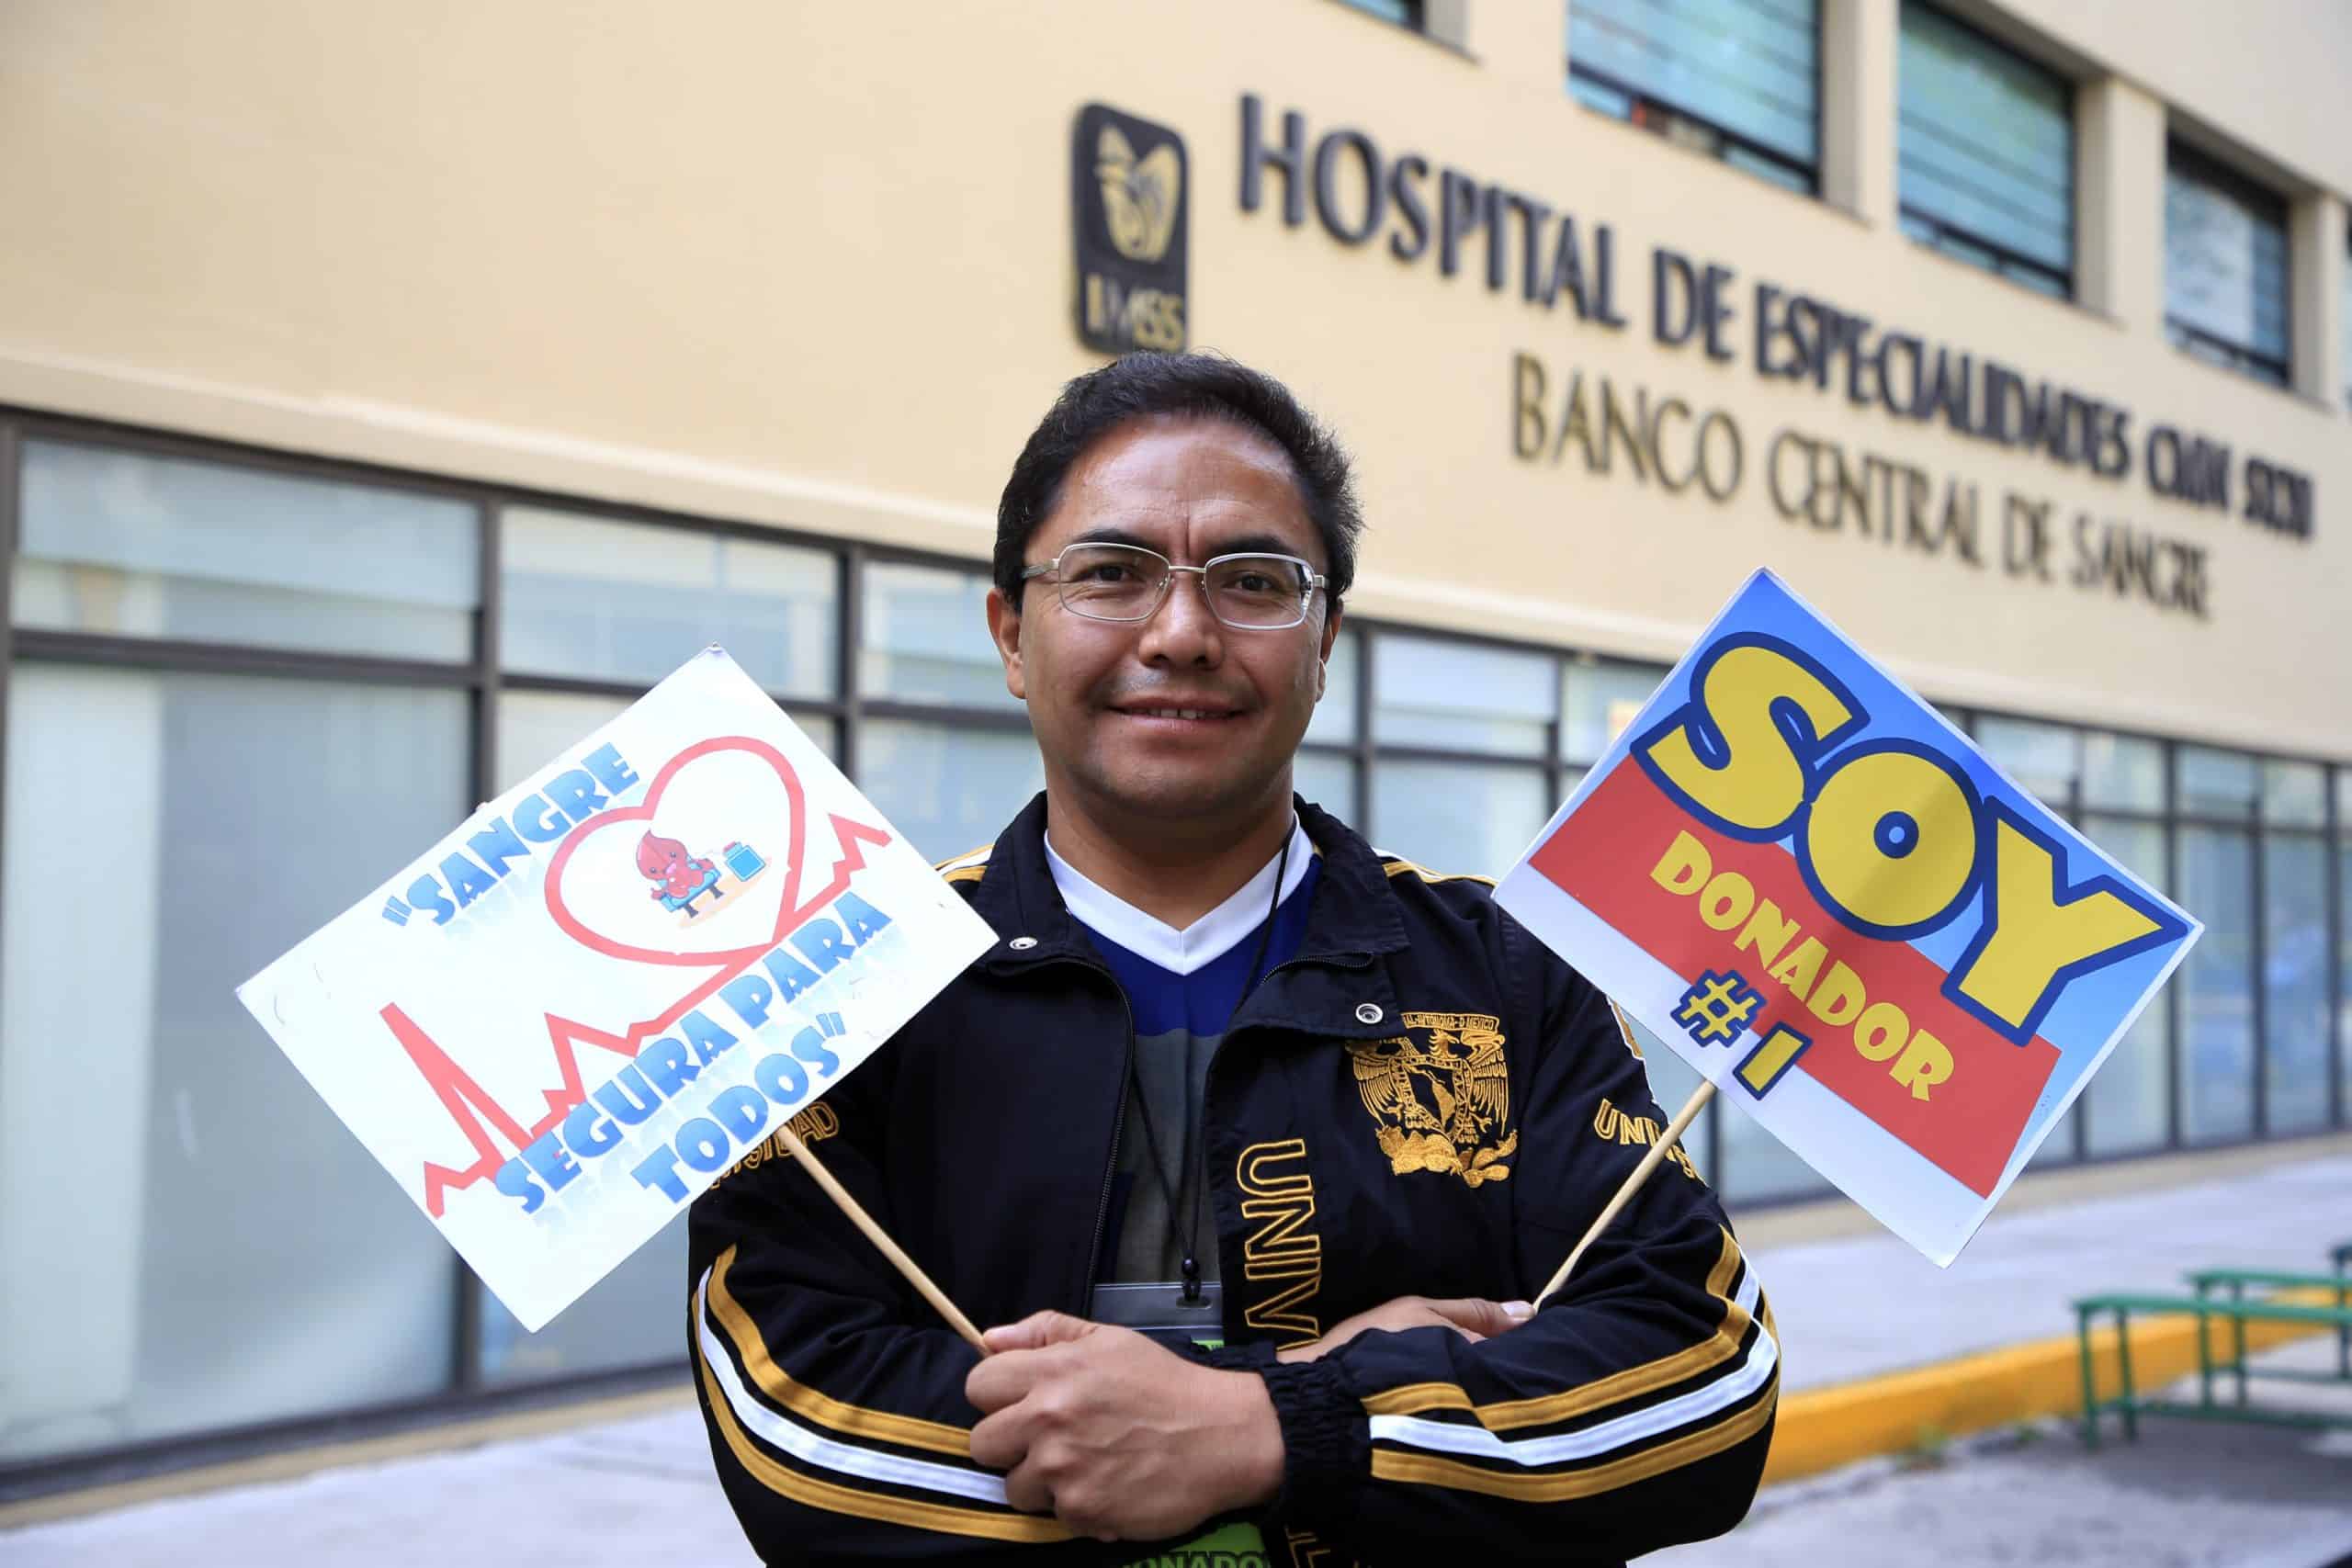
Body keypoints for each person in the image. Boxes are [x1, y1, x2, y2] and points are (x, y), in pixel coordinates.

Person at [689, 353, 1777, 1566]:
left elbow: (1700, 1383)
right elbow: (799, 1442)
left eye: (1254, 582)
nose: (1181, 634)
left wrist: (1271, 1426)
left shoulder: (1510, 972)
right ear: (1011, 633)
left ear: (1325, 640)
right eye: (1112, 573)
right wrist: (1311, 1398)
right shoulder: (846, 994)